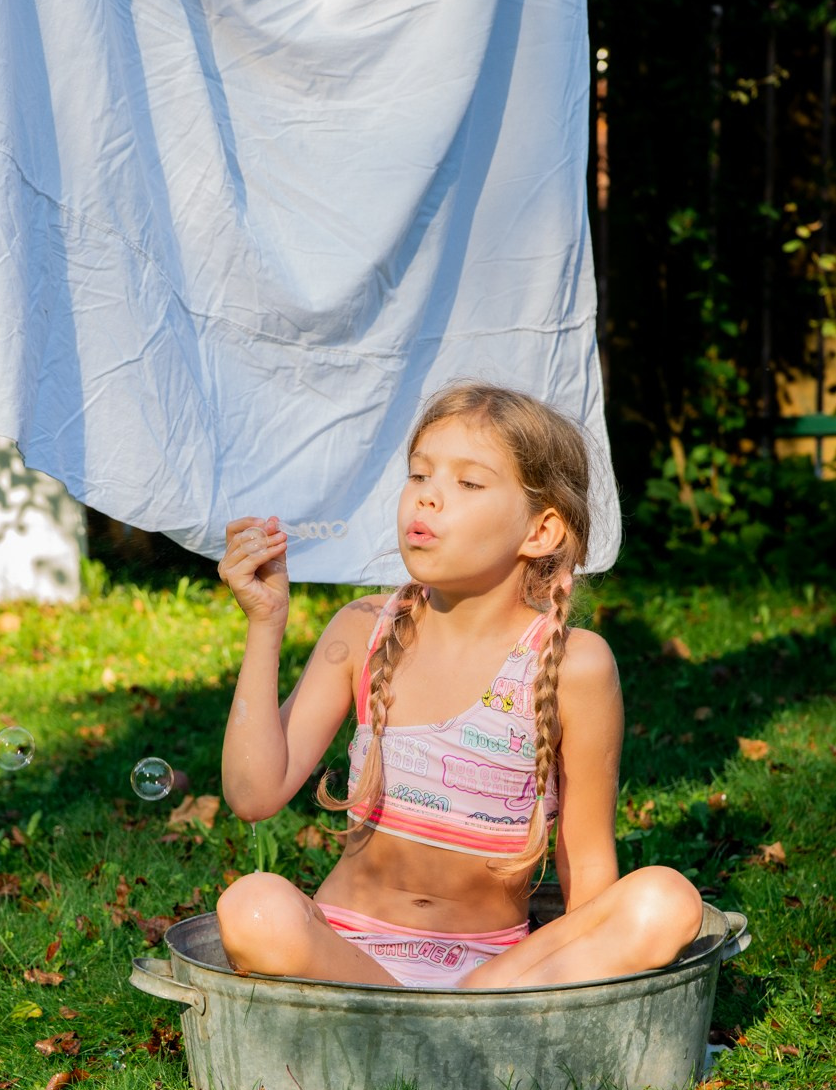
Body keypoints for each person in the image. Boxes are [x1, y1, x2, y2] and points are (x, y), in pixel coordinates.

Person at [215, 383, 703, 989]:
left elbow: (589, 869)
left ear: (541, 531)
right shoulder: (363, 631)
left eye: (468, 484)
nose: (428, 500)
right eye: (419, 476)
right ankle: (427, 1028)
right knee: (253, 905)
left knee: (668, 900)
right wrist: (266, 624)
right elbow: (252, 792)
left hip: (495, 974)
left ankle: (448, 1019)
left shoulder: (575, 665)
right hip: (345, 959)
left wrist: (581, 979)